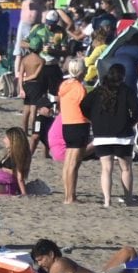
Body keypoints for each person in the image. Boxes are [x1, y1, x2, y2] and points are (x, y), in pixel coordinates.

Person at [85, 62, 138, 207]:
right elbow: (136, 109)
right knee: (126, 167)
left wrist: (94, 118)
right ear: (122, 76)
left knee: (106, 168)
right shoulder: (126, 91)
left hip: (102, 133)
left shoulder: (98, 91)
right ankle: (128, 200)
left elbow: (83, 105)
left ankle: (107, 200)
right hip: (122, 134)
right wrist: (130, 122)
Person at [57, 57, 89, 204]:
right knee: (73, 164)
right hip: (78, 125)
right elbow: (85, 109)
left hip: (67, 124)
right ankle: (70, 196)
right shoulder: (79, 88)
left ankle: (67, 195)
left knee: (68, 162)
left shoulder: (64, 85)